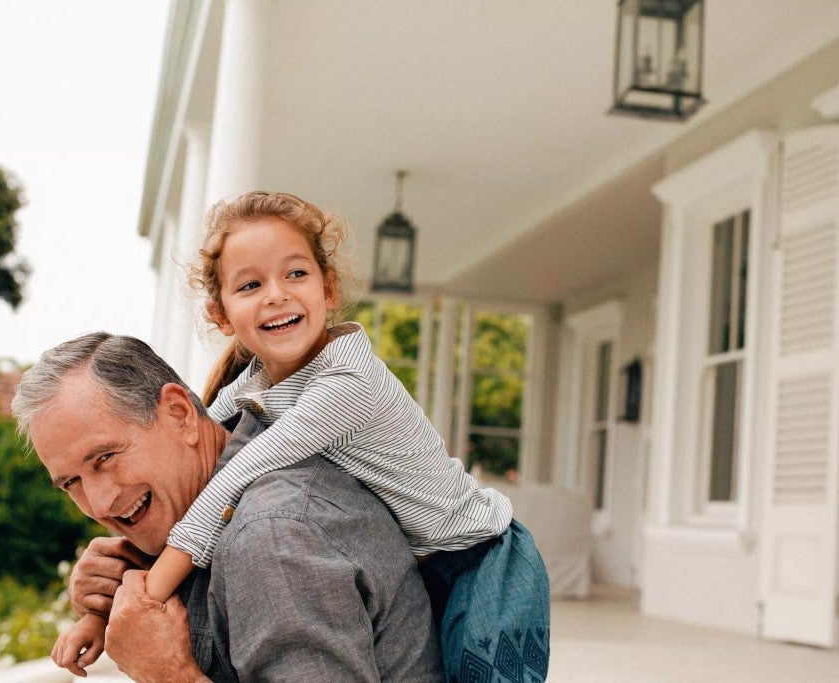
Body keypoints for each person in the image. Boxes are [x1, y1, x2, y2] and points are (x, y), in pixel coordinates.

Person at [57, 190, 550, 681]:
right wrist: (105, 605)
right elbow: (197, 429)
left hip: (482, 561)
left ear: (328, 288)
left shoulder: (346, 386)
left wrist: (148, 598)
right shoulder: (256, 387)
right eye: (250, 285)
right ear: (221, 314)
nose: (277, 294)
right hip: (427, 560)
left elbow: (233, 477)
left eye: (296, 273)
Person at [13, 332, 443, 681]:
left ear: (180, 414)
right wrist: (112, 592)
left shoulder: (271, 537)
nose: (100, 503)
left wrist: (169, 674)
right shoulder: (201, 502)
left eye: (105, 457)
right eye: (72, 482)